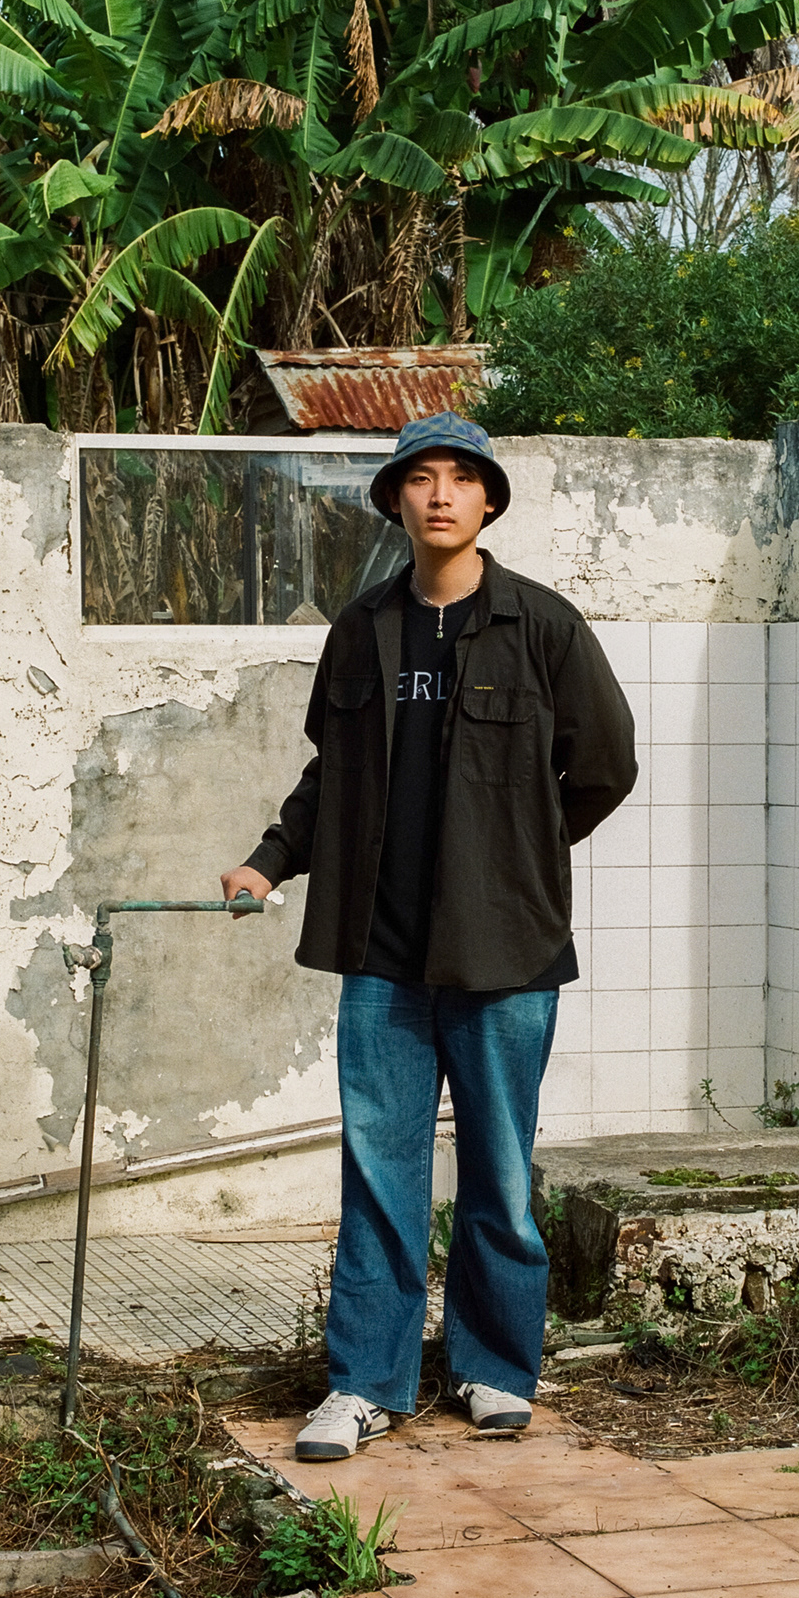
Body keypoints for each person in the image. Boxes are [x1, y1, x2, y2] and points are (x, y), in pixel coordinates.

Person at [220, 412, 637, 1462]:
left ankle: (495, 1369)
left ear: (488, 499)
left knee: (499, 1172)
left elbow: (605, 766)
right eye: (421, 477)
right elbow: (332, 774)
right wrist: (270, 859)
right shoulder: (362, 629)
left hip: (508, 957)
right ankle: (365, 1384)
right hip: (383, 956)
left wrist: (520, 854)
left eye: (461, 477)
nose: (441, 493)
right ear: (395, 499)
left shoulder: (543, 626)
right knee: (379, 1173)